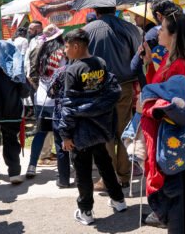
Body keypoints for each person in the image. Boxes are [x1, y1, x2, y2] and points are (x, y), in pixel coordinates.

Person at [139, 11, 185, 232]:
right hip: (166, 136)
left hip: (171, 139)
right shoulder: (169, 59)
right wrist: (148, 64)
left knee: (175, 199)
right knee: (179, 199)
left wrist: (146, 108)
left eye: (162, 28)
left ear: (173, 35)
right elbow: (159, 89)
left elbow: (173, 108)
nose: (158, 31)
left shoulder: (179, 66)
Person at [58, 29, 126, 225]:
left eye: (67, 45)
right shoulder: (101, 63)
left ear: (77, 46)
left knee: (83, 171)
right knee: (104, 163)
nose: (65, 50)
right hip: (101, 127)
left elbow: (69, 106)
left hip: (80, 131)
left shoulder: (72, 70)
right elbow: (107, 94)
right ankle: (119, 200)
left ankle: (86, 212)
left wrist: (65, 134)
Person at [84, 5, 142, 189]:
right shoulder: (130, 28)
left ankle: (109, 178)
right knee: (125, 129)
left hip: (97, 87)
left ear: (95, 10)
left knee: (104, 132)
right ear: (115, 9)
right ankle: (124, 175)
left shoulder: (87, 31)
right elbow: (138, 58)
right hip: (124, 86)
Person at [0, 40, 29, 184]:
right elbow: (25, 92)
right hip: (12, 111)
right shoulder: (15, 67)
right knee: (11, 140)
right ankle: (14, 172)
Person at [26, 24, 66, 178]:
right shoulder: (62, 53)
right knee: (60, 134)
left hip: (40, 99)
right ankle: (64, 171)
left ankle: (32, 166)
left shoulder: (39, 51)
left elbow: (32, 74)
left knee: (40, 133)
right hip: (57, 99)